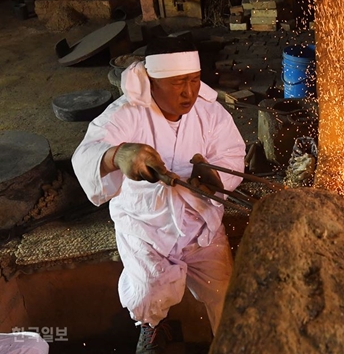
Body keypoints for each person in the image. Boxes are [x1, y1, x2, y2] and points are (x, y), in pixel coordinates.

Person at [72, 37, 246, 354]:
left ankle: (230, 343)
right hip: (146, 227)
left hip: (199, 224)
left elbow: (232, 153)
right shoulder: (126, 114)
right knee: (149, 291)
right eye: (178, 83)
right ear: (152, 82)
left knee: (224, 289)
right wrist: (117, 155)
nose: (188, 92)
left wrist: (215, 175)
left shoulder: (210, 112)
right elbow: (85, 155)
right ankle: (152, 328)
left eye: (194, 81)